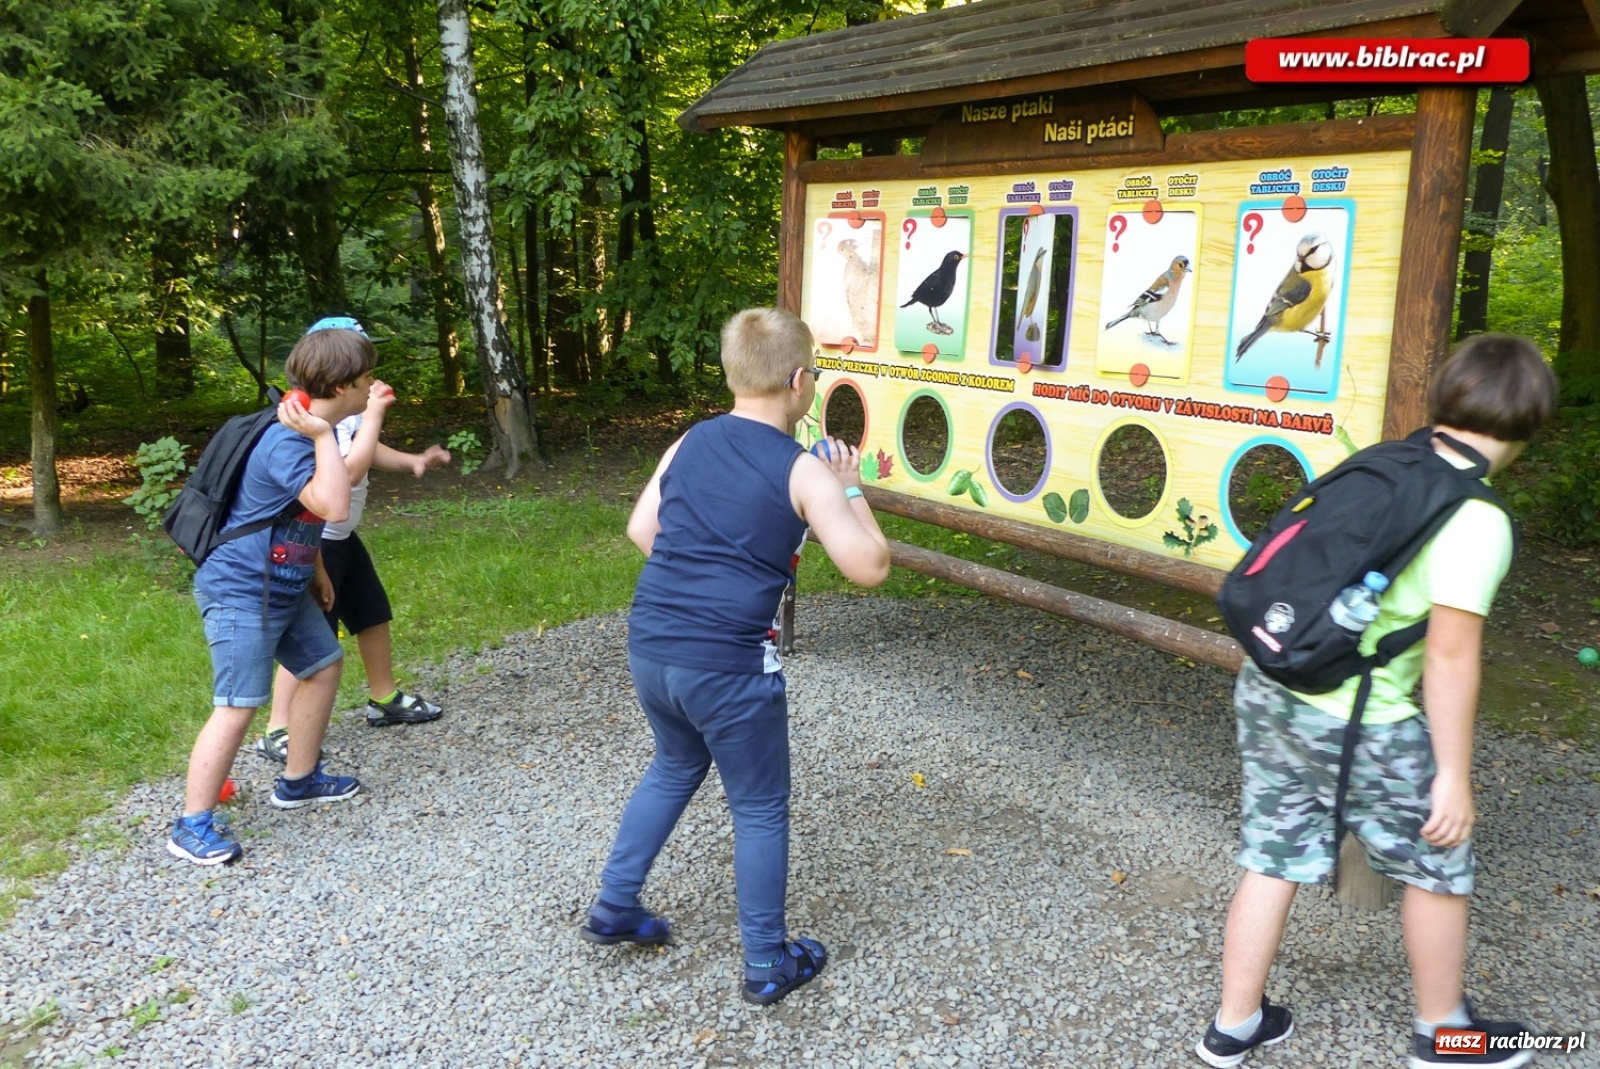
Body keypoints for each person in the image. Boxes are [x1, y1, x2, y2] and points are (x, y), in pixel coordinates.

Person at [1195, 334, 1558, 1069]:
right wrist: (1452, 775)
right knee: (1436, 861)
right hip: (1362, 721)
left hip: (1270, 683)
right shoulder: (1476, 518)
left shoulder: (1387, 460)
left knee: (1274, 851)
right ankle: (1443, 1032)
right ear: (1529, 426)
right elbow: (1452, 657)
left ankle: (1233, 1025)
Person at [579, 307, 891, 1006]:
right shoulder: (804, 470)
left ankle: (614, 904)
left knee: (675, 762)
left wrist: (700, 583)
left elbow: (640, 528)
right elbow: (869, 566)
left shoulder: (690, 441)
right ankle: (765, 960)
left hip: (653, 646)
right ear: (800, 381)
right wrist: (850, 488)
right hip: (727, 665)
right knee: (759, 806)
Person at [168, 326, 380, 865]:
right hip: (242, 588)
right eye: (367, 377)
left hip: (283, 581)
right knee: (237, 706)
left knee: (323, 664)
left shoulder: (303, 426)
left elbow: (287, 516)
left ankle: (299, 780)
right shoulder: (291, 436)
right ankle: (190, 824)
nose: (373, 384)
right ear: (344, 385)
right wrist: (320, 437)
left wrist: (315, 573)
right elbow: (332, 505)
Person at [255, 317, 452, 765]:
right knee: (309, 637)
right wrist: (378, 413)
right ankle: (278, 728)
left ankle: (383, 698)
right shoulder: (316, 418)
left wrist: (414, 461)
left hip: (343, 537)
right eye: (361, 358)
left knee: (372, 611)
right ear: (337, 373)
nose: (370, 372)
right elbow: (349, 471)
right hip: (318, 539)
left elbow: (370, 448)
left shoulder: (348, 411)